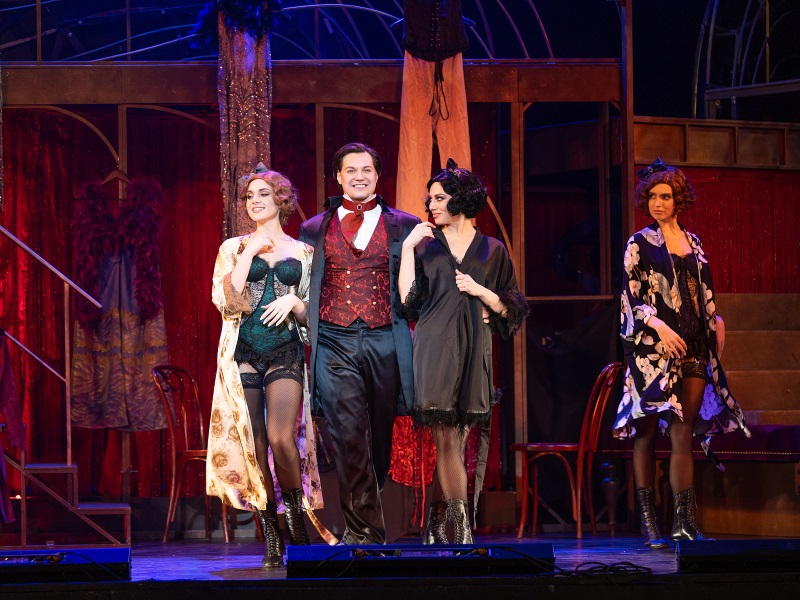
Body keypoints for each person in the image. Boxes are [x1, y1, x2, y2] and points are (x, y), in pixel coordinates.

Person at [613, 158, 747, 548]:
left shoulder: (694, 243)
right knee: (646, 433)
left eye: (665, 197)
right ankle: (648, 522)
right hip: (652, 353)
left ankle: (683, 524)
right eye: (652, 197)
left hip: (693, 347)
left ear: (678, 200)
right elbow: (630, 298)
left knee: (682, 432)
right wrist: (658, 325)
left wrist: (716, 319)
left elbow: (699, 293)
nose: (658, 203)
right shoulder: (638, 243)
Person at [398, 159, 528, 544]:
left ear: (462, 199)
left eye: (439, 198)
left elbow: (513, 308)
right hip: (434, 347)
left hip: (475, 348)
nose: (431, 205)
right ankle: (463, 529)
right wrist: (406, 247)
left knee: (457, 438)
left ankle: (437, 520)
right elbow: (407, 302)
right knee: (447, 438)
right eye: (430, 199)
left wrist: (481, 291)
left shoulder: (492, 250)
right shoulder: (425, 247)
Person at [298, 142, 420, 545]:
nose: (359, 177)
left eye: (366, 170)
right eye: (350, 170)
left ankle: (364, 522)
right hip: (334, 339)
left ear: (377, 175)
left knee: (378, 439)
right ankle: (363, 533)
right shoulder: (313, 228)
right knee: (348, 434)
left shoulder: (403, 225)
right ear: (338, 177)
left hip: (385, 337)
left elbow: (419, 286)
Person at [208, 164, 322, 568]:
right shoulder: (232, 247)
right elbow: (227, 302)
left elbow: (315, 313)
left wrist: (295, 303)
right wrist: (250, 252)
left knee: (280, 438)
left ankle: (295, 520)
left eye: (263, 194)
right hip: (243, 352)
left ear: (281, 199)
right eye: (249, 196)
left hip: (285, 350)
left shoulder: (304, 252)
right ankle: (271, 533)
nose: (254, 201)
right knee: (254, 444)